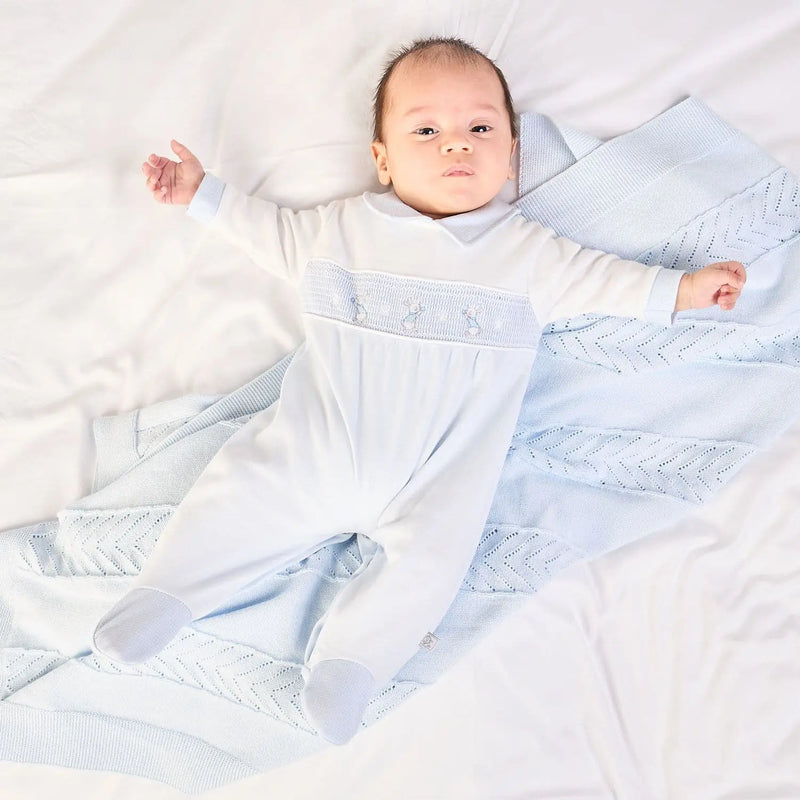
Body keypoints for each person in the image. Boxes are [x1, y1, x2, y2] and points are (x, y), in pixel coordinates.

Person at [93, 37, 746, 745]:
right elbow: (271, 233)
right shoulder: (343, 231)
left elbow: (605, 282)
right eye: (426, 130)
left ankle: (351, 665)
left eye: (480, 129)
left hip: (437, 482)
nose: (456, 146)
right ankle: (163, 597)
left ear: (511, 156)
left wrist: (680, 289)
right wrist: (203, 194)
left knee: (432, 568)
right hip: (314, 455)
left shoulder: (528, 254)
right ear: (383, 159)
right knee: (236, 500)